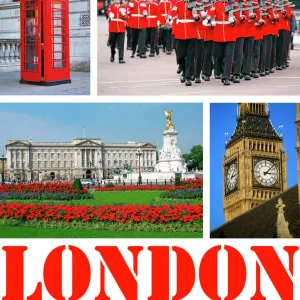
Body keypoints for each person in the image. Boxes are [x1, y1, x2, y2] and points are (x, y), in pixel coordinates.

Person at [206, 0, 239, 85]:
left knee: (228, 57)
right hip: (219, 34)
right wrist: (208, 19)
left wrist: (234, 21)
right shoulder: (217, 4)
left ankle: (226, 77)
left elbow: (238, 17)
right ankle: (222, 71)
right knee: (218, 55)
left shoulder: (233, 4)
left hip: (230, 33)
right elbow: (211, 12)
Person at [170, 0, 201, 86]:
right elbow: (172, 12)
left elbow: (200, 19)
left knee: (190, 56)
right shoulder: (178, 3)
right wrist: (169, 17)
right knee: (180, 56)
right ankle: (185, 71)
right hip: (181, 33)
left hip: (192, 33)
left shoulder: (195, 4)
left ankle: (188, 77)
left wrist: (197, 18)